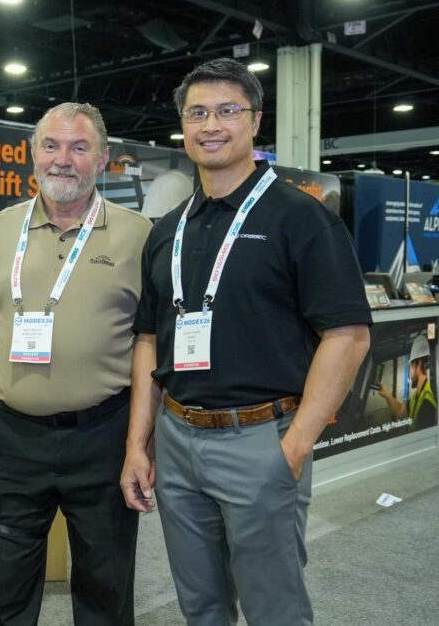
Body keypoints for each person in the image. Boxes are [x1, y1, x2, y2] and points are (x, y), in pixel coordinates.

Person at [121, 58, 372, 625]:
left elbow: (348, 336)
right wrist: (139, 443)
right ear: (183, 127)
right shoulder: (167, 230)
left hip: (262, 439)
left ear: (255, 122)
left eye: (227, 111)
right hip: (177, 439)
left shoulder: (301, 218)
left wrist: (296, 445)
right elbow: (149, 341)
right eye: (197, 113)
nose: (211, 125)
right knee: (201, 606)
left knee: (273, 608)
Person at [0, 102, 151, 625]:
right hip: (13, 438)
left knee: (106, 590)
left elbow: (149, 345)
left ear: (102, 159)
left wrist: (140, 442)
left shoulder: (139, 235)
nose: (63, 159)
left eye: (79, 147)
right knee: (4, 591)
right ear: (33, 154)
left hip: (103, 437)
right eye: (51, 145)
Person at [377, 333, 437, 431]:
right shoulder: (417, 395)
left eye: (411, 367)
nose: (410, 373)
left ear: (418, 365)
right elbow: (400, 411)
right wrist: (386, 395)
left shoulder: (426, 403)